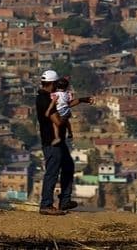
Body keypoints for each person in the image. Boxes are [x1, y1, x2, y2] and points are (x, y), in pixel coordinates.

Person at [36, 69, 92, 215]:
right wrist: (66, 117)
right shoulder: (45, 99)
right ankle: (46, 205)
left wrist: (82, 100)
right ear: (52, 83)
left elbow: (65, 104)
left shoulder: (49, 96)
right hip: (51, 142)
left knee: (68, 166)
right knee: (52, 172)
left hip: (58, 142)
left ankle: (65, 201)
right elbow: (58, 121)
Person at [46, 76, 73, 146]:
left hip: (60, 111)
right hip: (67, 111)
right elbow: (70, 100)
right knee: (67, 121)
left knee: (55, 124)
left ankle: (57, 137)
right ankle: (70, 132)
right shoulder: (68, 93)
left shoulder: (55, 94)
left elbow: (51, 99)